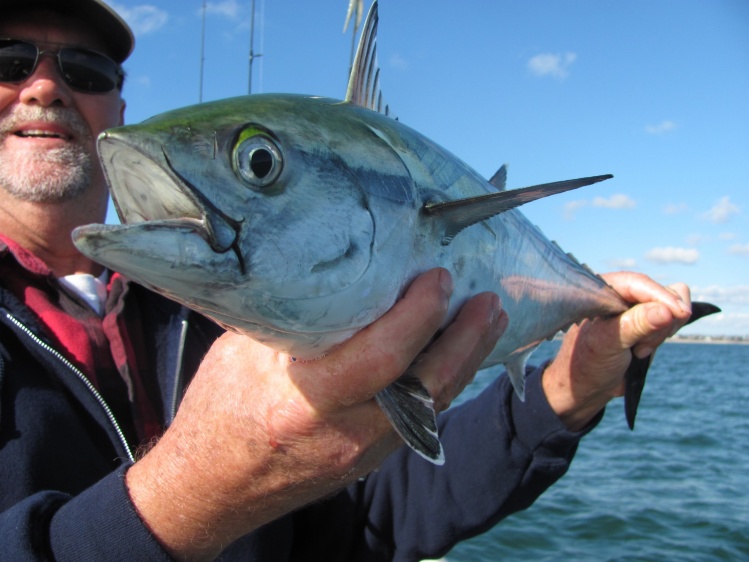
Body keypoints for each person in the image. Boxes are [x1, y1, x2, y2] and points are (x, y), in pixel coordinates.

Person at [0, 1, 694, 560]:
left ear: (117, 109)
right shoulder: (232, 307)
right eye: (9, 61)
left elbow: (371, 523)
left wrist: (565, 392)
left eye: (86, 70)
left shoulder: (230, 311)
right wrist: (190, 494)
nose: (44, 86)